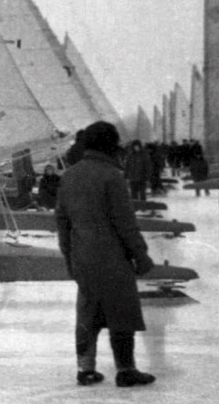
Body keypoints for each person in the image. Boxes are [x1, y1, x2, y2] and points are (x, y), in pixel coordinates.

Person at [55, 121, 156, 388]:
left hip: (82, 255)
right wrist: (141, 255)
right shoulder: (112, 176)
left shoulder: (69, 176)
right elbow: (124, 222)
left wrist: (69, 257)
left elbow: (62, 222)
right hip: (112, 256)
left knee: (88, 312)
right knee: (121, 311)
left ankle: (85, 369)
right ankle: (126, 369)